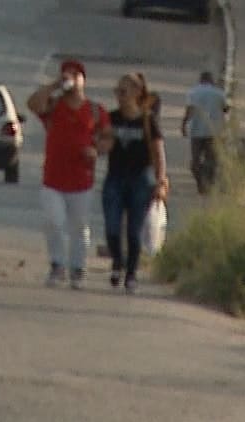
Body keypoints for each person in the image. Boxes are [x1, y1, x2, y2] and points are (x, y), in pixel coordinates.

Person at [26, 59, 110, 290]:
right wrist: (54, 85)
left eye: (75, 75)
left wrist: (96, 150)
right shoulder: (53, 107)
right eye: (66, 74)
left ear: (84, 79)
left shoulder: (94, 110)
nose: (70, 78)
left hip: (81, 180)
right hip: (53, 179)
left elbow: (107, 138)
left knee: (79, 226)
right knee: (53, 221)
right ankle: (57, 264)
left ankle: (78, 268)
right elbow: (32, 104)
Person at [100, 72, 168, 293]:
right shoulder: (111, 118)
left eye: (123, 91)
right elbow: (102, 146)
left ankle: (131, 273)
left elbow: (158, 154)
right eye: (117, 91)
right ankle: (117, 262)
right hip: (115, 178)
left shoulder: (148, 121)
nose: (119, 96)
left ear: (137, 93)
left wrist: (160, 181)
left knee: (134, 230)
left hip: (140, 179)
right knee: (111, 225)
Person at [181, 70, 229, 195]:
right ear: (211, 80)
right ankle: (209, 182)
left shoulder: (193, 92)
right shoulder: (219, 93)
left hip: (196, 131)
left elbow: (189, 110)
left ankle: (200, 182)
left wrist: (183, 124)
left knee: (195, 159)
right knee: (212, 159)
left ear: (200, 80)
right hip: (214, 131)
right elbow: (225, 109)